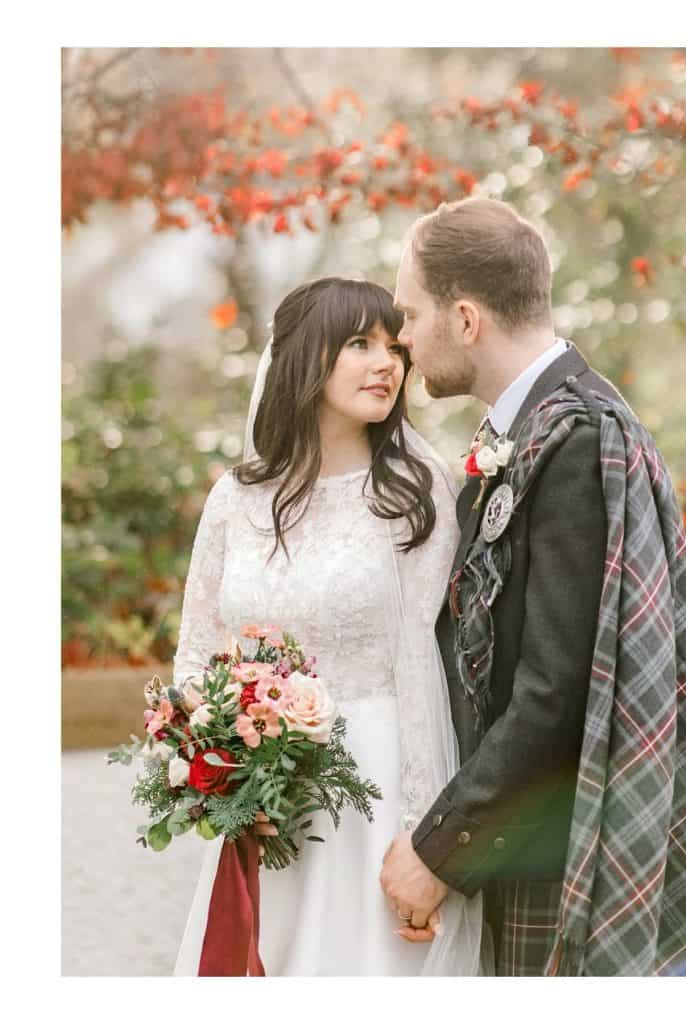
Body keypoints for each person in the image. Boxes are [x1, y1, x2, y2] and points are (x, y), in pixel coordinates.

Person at [380, 197, 686, 976]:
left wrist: (440, 852)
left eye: (409, 313)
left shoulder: (575, 439)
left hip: (552, 853)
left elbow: (556, 688)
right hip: (519, 840)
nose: (401, 338)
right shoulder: (530, 428)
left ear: (465, 319)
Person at [171, 277, 489, 976]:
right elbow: (194, 659)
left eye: (392, 347)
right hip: (266, 805)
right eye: (357, 344)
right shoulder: (236, 497)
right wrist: (223, 770)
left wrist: (423, 836)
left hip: (371, 789)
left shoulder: (414, 490)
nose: (386, 363)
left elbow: (420, 666)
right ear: (302, 358)